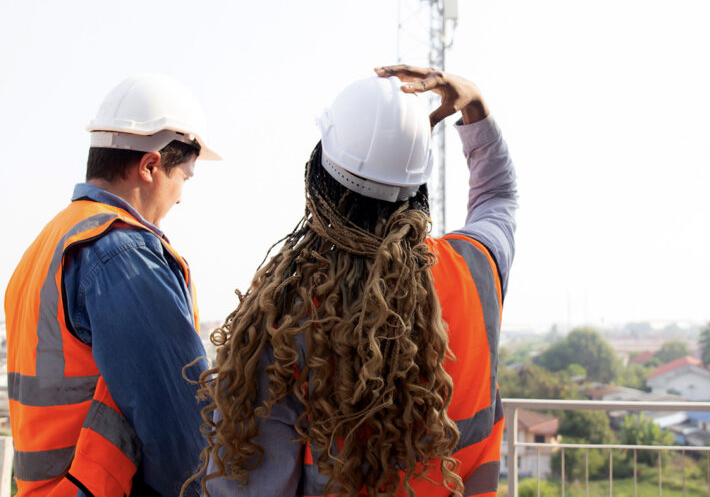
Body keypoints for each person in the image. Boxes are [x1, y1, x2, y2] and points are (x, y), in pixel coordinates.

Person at [190, 66, 517, 497]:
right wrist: (475, 108)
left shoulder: (289, 319)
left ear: (317, 182)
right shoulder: (476, 269)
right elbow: (498, 197)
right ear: (419, 189)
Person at [4, 75, 221, 497]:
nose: (180, 198)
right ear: (151, 166)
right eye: (185, 178)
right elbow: (182, 431)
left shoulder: (54, 240)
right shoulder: (119, 254)